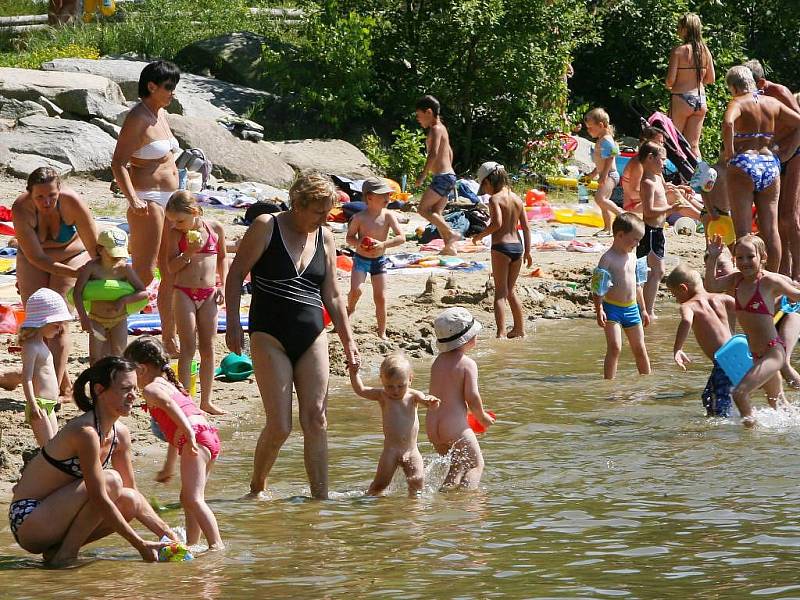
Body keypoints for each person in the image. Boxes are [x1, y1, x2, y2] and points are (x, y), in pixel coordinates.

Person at [225, 171, 360, 499]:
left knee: (316, 418)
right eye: (318, 212)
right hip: (269, 334)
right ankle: (257, 487)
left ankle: (320, 499)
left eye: (327, 213)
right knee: (281, 425)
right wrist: (232, 322)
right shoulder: (266, 227)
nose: (323, 219)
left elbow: (333, 294)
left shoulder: (325, 236)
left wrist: (348, 339)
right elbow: (235, 275)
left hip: (312, 333)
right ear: (298, 204)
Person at [8, 357, 177, 566]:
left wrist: (169, 537)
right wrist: (140, 544)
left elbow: (133, 493)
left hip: (56, 514)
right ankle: (66, 555)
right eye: (125, 389)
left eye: (135, 388)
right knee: (112, 481)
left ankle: (58, 552)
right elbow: (98, 496)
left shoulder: (120, 434)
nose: (133, 396)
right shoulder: (85, 432)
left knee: (130, 500)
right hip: (29, 519)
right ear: (99, 390)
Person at [124, 337, 224, 550]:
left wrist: (188, 432)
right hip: (207, 437)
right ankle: (193, 543)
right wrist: (169, 466)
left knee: (194, 498)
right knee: (188, 497)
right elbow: (174, 434)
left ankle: (216, 546)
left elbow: (172, 409)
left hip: (194, 438)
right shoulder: (168, 384)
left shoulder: (151, 389)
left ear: (140, 369)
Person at [112, 60, 182, 356]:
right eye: (168, 87)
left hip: (172, 199)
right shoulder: (138, 117)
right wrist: (133, 199)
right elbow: (118, 163)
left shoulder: (161, 113)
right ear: (151, 86)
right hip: (148, 199)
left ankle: (170, 337)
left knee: (171, 269)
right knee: (146, 270)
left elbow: (167, 158)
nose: (172, 93)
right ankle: (112, 322)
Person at [12, 167, 97, 397]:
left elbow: (93, 245)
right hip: (35, 258)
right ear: (29, 193)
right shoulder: (21, 209)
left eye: (52, 195)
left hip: (72, 254)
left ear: (60, 190)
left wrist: (91, 272)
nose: (47, 202)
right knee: (37, 322)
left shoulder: (72, 203)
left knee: (58, 323)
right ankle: (63, 384)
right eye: (40, 197)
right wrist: (72, 272)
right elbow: (37, 258)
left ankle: (52, 394)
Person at [705, 234, 800, 426]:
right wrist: (713, 258)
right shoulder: (735, 280)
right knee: (778, 404)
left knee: (740, 393)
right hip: (756, 354)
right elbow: (711, 285)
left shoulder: (769, 282)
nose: (745, 262)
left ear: (763, 257)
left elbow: (796, 295)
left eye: (750, 257)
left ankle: (751, 438)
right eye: (740, 258)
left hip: (773, 352)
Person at [723, 66, 800, 273]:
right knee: (770, 229)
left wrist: (730, 153)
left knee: (744, 230)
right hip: (769, 163)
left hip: (744, 163)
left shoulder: (738, 102)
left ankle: (747, 282)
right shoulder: (772, 103)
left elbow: (728, 123)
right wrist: (788, 152)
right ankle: (771, 281)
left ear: (734, 86)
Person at [164, 191, 227, 415]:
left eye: (180, 220)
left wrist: (223, 286)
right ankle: (186, 400)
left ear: (195, 212)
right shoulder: (175, 234)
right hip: (183, 292)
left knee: (208, 347)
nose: (177, 225)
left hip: (209, 292)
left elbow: (221, 258)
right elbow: (170, 267)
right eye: (173, 221)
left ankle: (206, 400)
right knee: (188, 347)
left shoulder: (215, 228)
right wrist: (188, 252)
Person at [347, 352, 439, 497]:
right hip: (390, 451)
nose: (395, 391)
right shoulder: (382, 395)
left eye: (400, 386)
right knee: (380, 484)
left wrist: (431, 401)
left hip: (411, 451)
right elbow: (361, 390)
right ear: (382, 380)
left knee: (418, 482)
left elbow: (427, 402)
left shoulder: (414, 396)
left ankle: (414, 512)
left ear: (410, 380)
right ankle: (368, 500)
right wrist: (354, 373)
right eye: (389, 386)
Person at [427, 307, 494, 490]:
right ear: (468, 338)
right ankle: (468, 501)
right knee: (475, 465)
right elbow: (472, 397)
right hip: (454, 428)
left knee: (457, 466)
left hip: (433, 428)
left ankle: (446, 498)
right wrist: (482, 418)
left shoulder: (437, 362)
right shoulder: (467, 364)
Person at [745, 59, 800, 280]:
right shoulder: (744, 96)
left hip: (795, 152)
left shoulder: (778, 92)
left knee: (790, 216)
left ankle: (798, 274)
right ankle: (784, 271)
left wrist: (788, 149)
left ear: (761, 82)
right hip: (771, 157)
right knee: (775, 219)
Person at [470, 162, 532, 338]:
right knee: (511, 291)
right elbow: (526, 228)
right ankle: (520, 329)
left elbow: (496, 223)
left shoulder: (495, 199)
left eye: (485, 186)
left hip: (501, 248)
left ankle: (501, 333)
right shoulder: (518, 199)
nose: (486, 191)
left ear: (489, 181)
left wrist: (479, 236)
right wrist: (528, 251)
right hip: (517, 248)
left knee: (500, 293)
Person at [666, 264, 737, 417]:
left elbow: (686, 321)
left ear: (683, 288)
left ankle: (723, 429)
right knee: (711, 396)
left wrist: (677, 348)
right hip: (738, 354)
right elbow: (744, 310)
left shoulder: (689, 306)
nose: (677, 300)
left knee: (716, 402)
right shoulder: (722, 298)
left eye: (674, 294)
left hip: (723, 361)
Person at [73, 228, 148, 364]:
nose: (116, 257)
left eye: (119, 254)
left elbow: (143, 292)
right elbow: (77, 292)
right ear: (100, 250)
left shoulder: (124, 268)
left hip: (119, 318)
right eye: (112, 253)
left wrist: (124, 300)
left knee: (120, 356)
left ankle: (116, 384)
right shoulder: (92, 267)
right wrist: (83, 317)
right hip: (96, 318)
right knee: (95, 358)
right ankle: (97, 382)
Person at [592, 212, 651, 379]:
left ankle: (646, 382)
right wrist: (599, 309)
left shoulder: (633, 256)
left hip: (632, 308)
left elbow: (637, 285)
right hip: (612, 310)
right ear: (620, 235)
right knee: (615, 347)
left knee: (640, 348)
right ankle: (609, 384)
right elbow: (597, 287)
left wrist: (644, 309)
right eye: (635, 239)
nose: (637, 244)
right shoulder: (607, 259)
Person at [346, 177, 405, 340]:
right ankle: (350, 308)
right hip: (361, 260)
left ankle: (382, 332)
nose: (388, 198)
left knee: (381, 297)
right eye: (383, 195)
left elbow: (402, 238)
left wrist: (383, 244)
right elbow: (349, 238)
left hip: (379, 261)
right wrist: (360, 243)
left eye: (388, 195)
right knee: (356, 290)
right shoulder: (359, 217)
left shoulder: (388, 216)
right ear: (369, 197)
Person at [20, 289, 74, 447]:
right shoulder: (31, 347)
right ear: (43, 322)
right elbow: (26, 378)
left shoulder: (41, 344)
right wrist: (33, 403)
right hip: (39, 405)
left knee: (54, 446)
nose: (59, 329)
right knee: (49, 449)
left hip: (49, 404)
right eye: (56, 325)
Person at [637, 142, 680, 320]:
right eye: (661, 160)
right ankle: (647, 310)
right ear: (650, 158)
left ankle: (645, 307)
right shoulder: (647, 182)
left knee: (652, 271)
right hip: (650, 231)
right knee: (656, 271)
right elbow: (647, 212)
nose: (664, 164)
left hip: (658, 231)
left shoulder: (657, 177)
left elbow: (664, 192)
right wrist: (669, 210)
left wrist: (677, 189)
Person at [415, 95, 460, 255]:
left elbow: (433, 154)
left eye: (419, 116)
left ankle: (451, 232)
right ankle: (450, 247)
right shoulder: (443, 128)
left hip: (442, 177)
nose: (418, 120)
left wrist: (423, 175)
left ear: (428, 112)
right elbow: (449, 151)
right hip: (448, 175)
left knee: (422, 209)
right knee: (436, 212)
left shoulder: (435, 129)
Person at [666, 13, 715, 158]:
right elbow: (711, 79)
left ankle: (673, 177)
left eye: (679, 27)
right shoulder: (705, 51)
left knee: (673, 141)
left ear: (686, 29)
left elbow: (670, 81)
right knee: (693, 145)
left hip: (681, 98)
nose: (677, 30)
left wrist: (677, 82)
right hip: (700, 99)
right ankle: (698, 178)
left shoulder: (679, 51)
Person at [584, 108, 623, 236]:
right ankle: (607, 229)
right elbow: (601, 162)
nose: (588, 131)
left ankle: (621, 214)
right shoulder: (602, 139)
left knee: (600, 198)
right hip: (605, 174)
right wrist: (593, 174)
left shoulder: (606, 140)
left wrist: (604, 175)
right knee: (603, 203)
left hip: (610, 175)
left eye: (590, 127)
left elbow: (612, 156)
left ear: (600, 125)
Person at [621, 127, 665, 213]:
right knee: (672, 196)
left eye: (662, 142)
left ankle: (698, 216)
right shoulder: (639, 163)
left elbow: (663, 186)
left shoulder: (654, 163)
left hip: (646, 202)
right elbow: (633, 194)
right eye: (658, 142)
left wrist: (676, 188)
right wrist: (659, 194)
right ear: (647, 142)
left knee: (678, 193)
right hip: (633, 206)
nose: (661, 146)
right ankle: (698, 217)